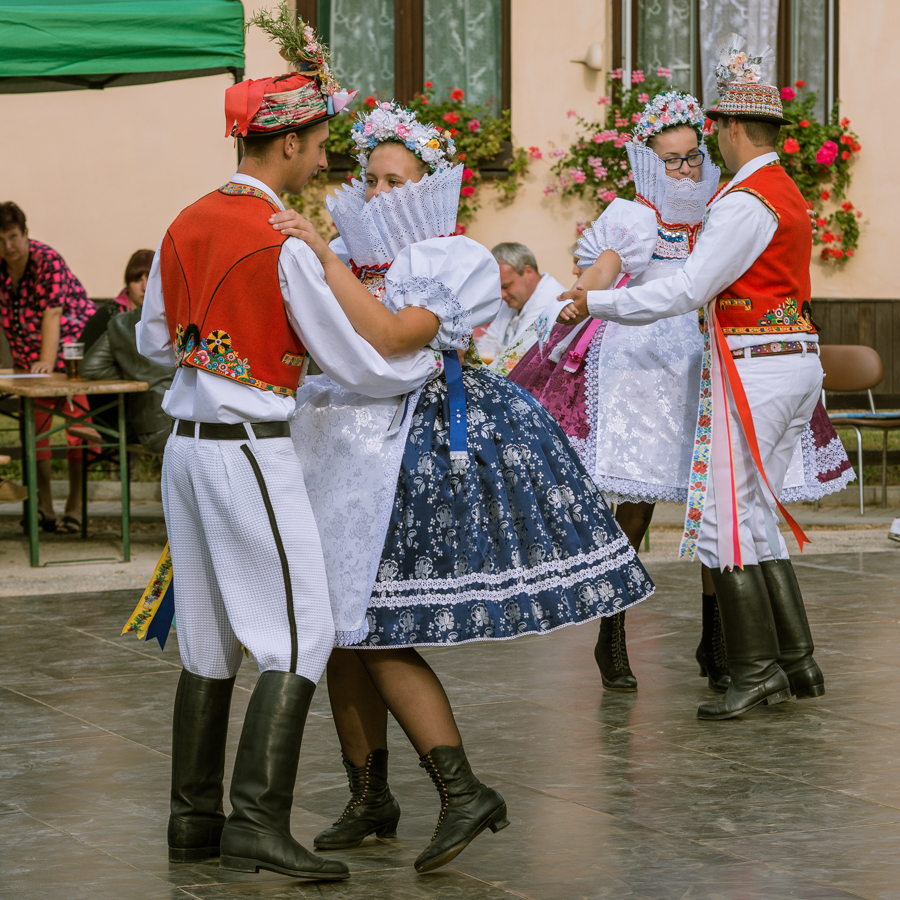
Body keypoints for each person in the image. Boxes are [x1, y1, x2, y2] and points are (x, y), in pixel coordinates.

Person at [271, 99, 654, 874]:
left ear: (430, 186)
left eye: (395, 181)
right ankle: (370, 795)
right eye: (371, 180)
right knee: (339, 625)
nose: (378, 194)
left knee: (377, 622)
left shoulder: (449, 259)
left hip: (411, 450)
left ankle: (462, 789)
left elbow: (397, 337)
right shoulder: (346, 252)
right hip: (341, 447)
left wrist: (324, 262)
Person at [135, 12, 361, 881]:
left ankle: (192, 821)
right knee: (303, 633)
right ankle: (258, 822)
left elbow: (154, 340)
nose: (322, 159)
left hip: (186, 447)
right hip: (246, 447)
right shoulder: (282, 239)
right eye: (319, 146)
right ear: (289, 143)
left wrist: (213, 348)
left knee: (206, 636)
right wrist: (419, 352)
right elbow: (348, 359)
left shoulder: (185, 221)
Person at [561, 34, 826, 720]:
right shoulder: (782, 190)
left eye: (703, 143)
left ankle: (754, 668)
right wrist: (598, 285)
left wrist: (596, 304)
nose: (695, 159)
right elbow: (621, 262)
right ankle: (796, 662)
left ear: (730, 129)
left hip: (750, 365)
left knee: (724, 521)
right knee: (754, 515)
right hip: (769, 357)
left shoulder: (741, 200)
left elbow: (687, 289)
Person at [510, 89, 729, 693]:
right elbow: (604, 269)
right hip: (642, 368)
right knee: (635, 506)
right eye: (671, 160)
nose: (683, 170)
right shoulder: (634, 215)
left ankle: (715, 641)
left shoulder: (718, 212)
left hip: (702, 362)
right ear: (649, 163)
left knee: (712, 502)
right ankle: (612, 632)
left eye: (692, 157)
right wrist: (580, 296)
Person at [0, 201, 96, 533]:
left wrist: (46, 359)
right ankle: (44, 507)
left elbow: (52, 313)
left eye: (13, 236)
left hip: (70, 356)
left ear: (25, 233)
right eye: (0, 240)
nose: (8, 246)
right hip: (29, 363)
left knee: (78, 429)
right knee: (34, 431)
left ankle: (76, 508)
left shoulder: (47, 260)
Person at [81, 251, 175, 454]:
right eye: (137, 280)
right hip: (184, 423)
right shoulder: (185, 312)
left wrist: (132, 370)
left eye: (149, 278)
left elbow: (90, 367)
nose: (144, 287)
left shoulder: (120, 323)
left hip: (152, 426)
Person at [475, 242, 567, 363]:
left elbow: (517, 355)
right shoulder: (515, 298)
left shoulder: (549, 299)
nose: (502, 295)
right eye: (498, 288)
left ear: (528, 272)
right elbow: (489, 342)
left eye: (506, 286)